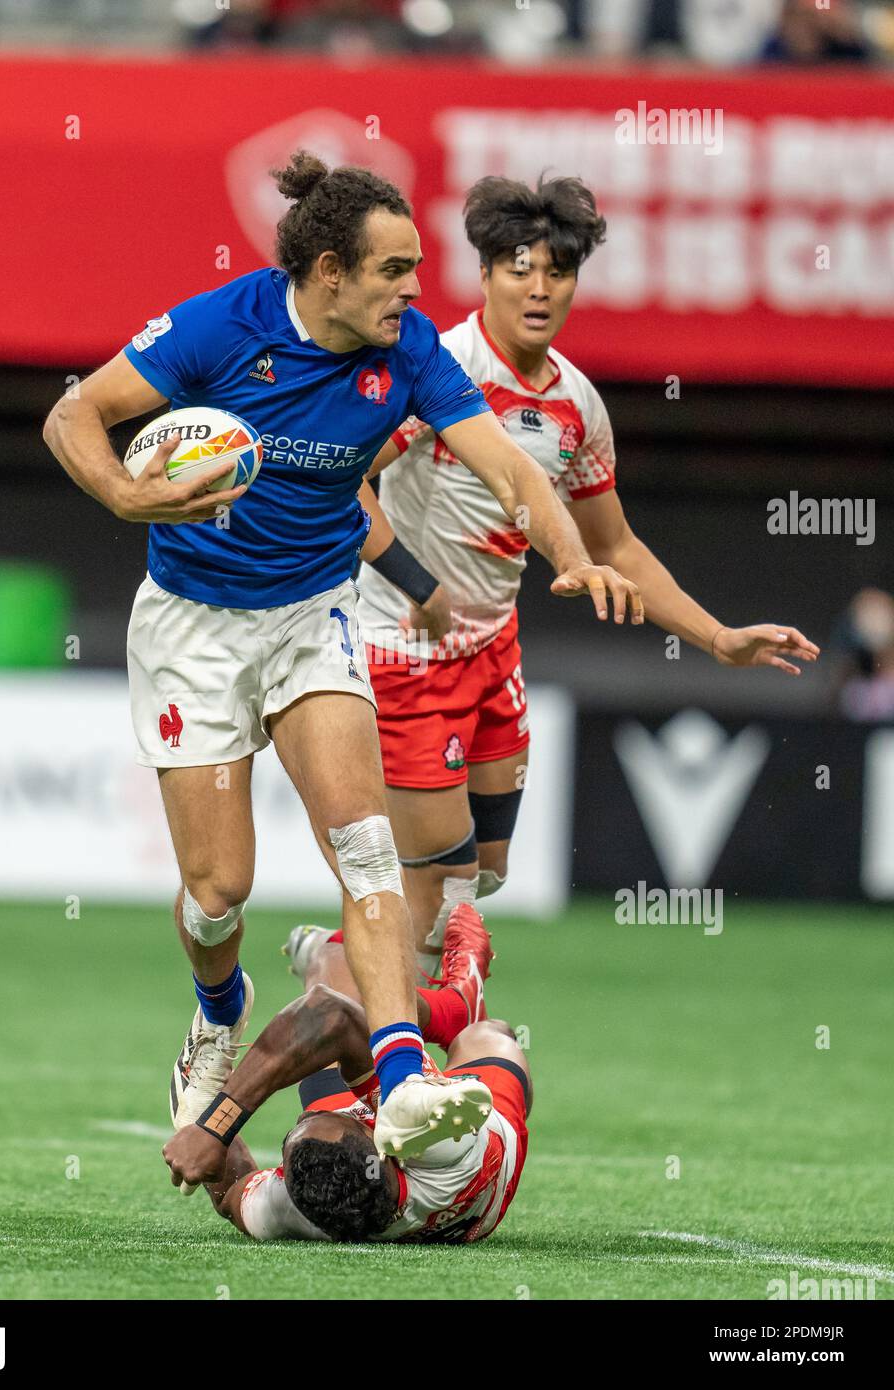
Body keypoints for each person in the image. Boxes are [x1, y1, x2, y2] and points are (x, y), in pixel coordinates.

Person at [43, 152, 641, 1166]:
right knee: (218, 889)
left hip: (313, 617)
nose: (416, 290)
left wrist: (570, 555)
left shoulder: (406, 352)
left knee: (365, 849)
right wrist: (130, 496)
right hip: (192, 627)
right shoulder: (218, 326)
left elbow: (503, 465)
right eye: (394, 270)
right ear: (328, 270)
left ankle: (404, 1082)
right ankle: (216, 1014)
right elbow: (74, 416)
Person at [350, 174, 820, 975]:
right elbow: (346, 483)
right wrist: (414, 582)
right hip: (405, 656)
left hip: (494, 655)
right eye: (518, 268)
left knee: (483, 875)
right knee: (443, 901)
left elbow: (618, 547)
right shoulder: (439, 373)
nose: (538, 289)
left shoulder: (577, 403)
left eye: (557, 272)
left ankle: (341, 982)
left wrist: (719, 639)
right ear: (486, 274)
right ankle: (378, 1071)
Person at [164, 904, 532, 1243]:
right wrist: (216, 1127)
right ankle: (457, 1007)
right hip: (477, 1148)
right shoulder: (442, 1141)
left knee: (334, 957)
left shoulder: (296, 1206)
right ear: (380, 1147)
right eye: (341, 1117)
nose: (322, 1110)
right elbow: (330, 1014)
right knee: (487, 1035)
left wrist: (197, 1107)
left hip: (388, 1183)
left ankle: (342, 961)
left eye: (307, 1121)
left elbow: (232, 1192)